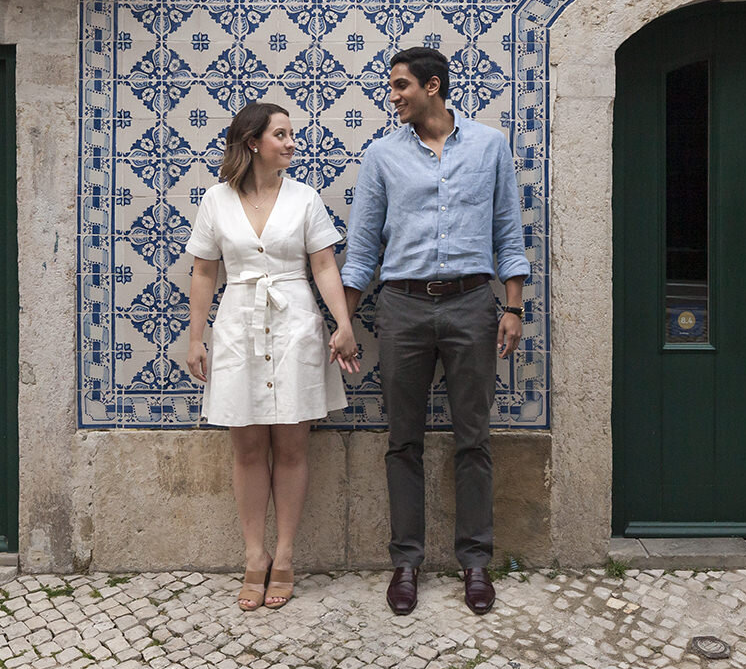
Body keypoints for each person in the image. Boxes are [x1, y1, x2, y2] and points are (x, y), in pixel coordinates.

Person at [339, 47, 528, 617]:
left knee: (473, 436)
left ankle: (475, 562)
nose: (393, 96)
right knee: (404, 439)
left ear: (433, 86)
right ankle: (406, 563)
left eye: (401, 86)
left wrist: (513, 308)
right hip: (402, 308)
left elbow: (508, 233)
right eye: (392, 87)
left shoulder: (490, 147)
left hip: (473, 304)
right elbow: (363, 248)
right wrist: (343, 320)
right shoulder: (381, 157)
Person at [185, 101, 361, 611]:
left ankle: (284, 556)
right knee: (245, 448)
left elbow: (325, 265)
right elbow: (203, 272)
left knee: (291, 447)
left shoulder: (305, 198)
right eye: (280, 134)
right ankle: (254, 556)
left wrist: (342, 324)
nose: (290, 142)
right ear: (252, 142)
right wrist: (197, 338)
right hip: (239, 323)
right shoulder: (216, 201)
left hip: (295, 326)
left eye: (291, 134)